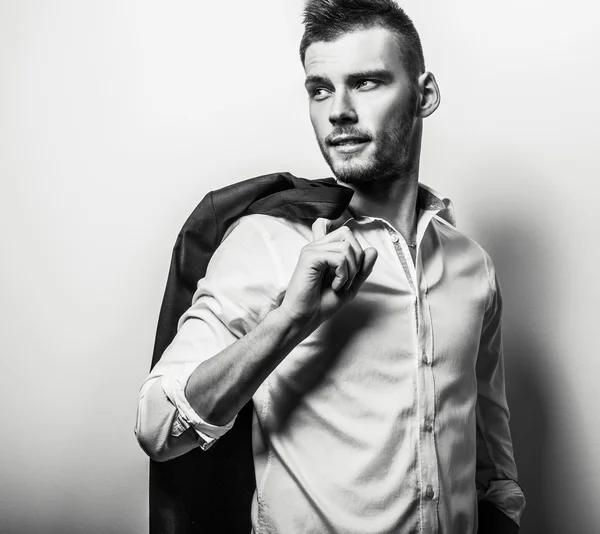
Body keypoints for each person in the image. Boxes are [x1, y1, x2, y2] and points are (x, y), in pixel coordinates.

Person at [135, 0, 526, 532]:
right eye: (320, 89)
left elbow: (490, 460)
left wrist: (503, 513)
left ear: (424, 94)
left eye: (366, 83)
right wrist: (288, 322)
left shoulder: (470, 265)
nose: (338, 109)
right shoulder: (269, 242)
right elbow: (158, 426)